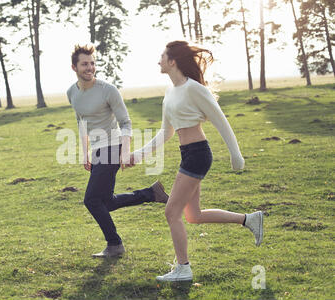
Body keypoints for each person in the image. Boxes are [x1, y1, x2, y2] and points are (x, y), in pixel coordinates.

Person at [130, 41, 264, 281]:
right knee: (193, 215)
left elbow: (220, 120)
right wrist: (139, 154)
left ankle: (183, 268)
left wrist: (236, 155)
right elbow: (166, 132)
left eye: (162, 56)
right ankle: (249, 220)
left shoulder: (194, 89)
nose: (158, 60)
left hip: (198, 154)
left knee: (172, 212)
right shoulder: (170, 92)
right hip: (188, 154)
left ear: (172, 61)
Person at [66, 44, 169, 258]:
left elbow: (126, 122)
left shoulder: (107, 90)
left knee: (91, 200)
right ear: (74, 67)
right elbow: (81, 122)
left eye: (92, 63)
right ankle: (151, 193)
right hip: (97, 150)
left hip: (113, 146)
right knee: (106, 202)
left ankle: (114, 244)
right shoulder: (71, 93)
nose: (90, 67)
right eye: (85, 64)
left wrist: (125, 151)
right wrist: (85, 152)